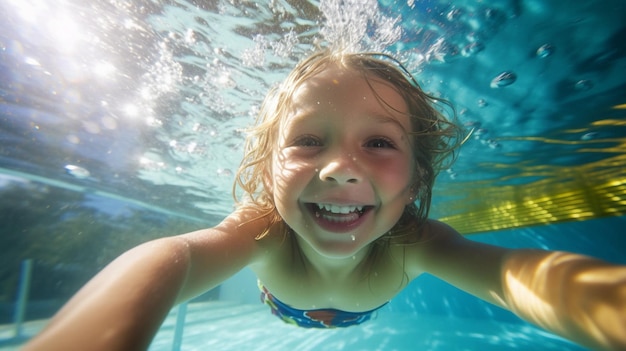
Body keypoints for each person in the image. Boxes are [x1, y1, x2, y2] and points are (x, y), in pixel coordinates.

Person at [24, 49, 625, 351]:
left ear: (415, 180)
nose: (340, 168)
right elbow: (169, 259)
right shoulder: (260, 229)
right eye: (309, 140)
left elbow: (514, 274)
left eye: (380, 142)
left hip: (360, 310)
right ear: (266, 169)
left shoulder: (415, 241)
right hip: (280, 303)